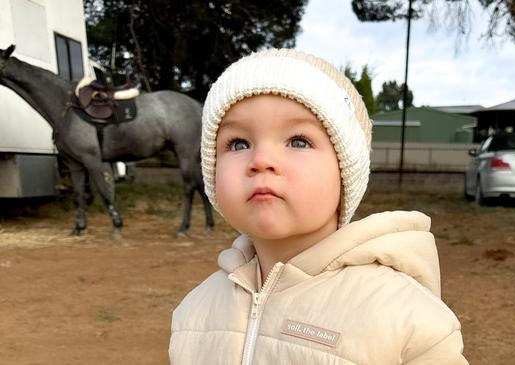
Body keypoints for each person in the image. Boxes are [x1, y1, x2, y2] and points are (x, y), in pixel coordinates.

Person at [169, 49, 468, 365]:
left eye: (298, 141)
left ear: (345, 169)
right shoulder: (193, 313)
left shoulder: (407, 319)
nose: (261, 161)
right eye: (238, 143)